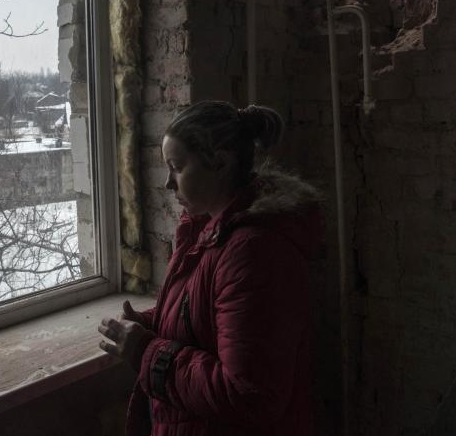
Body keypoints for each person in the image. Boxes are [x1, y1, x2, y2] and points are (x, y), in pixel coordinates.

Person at [98, 100, 324, 436]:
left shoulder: (253, 253)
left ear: (219, 162)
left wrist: (145, 350)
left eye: (176, 167)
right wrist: (149, 325)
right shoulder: (205, 231)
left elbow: (250, 395)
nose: (167, 184)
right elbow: (207, 323)